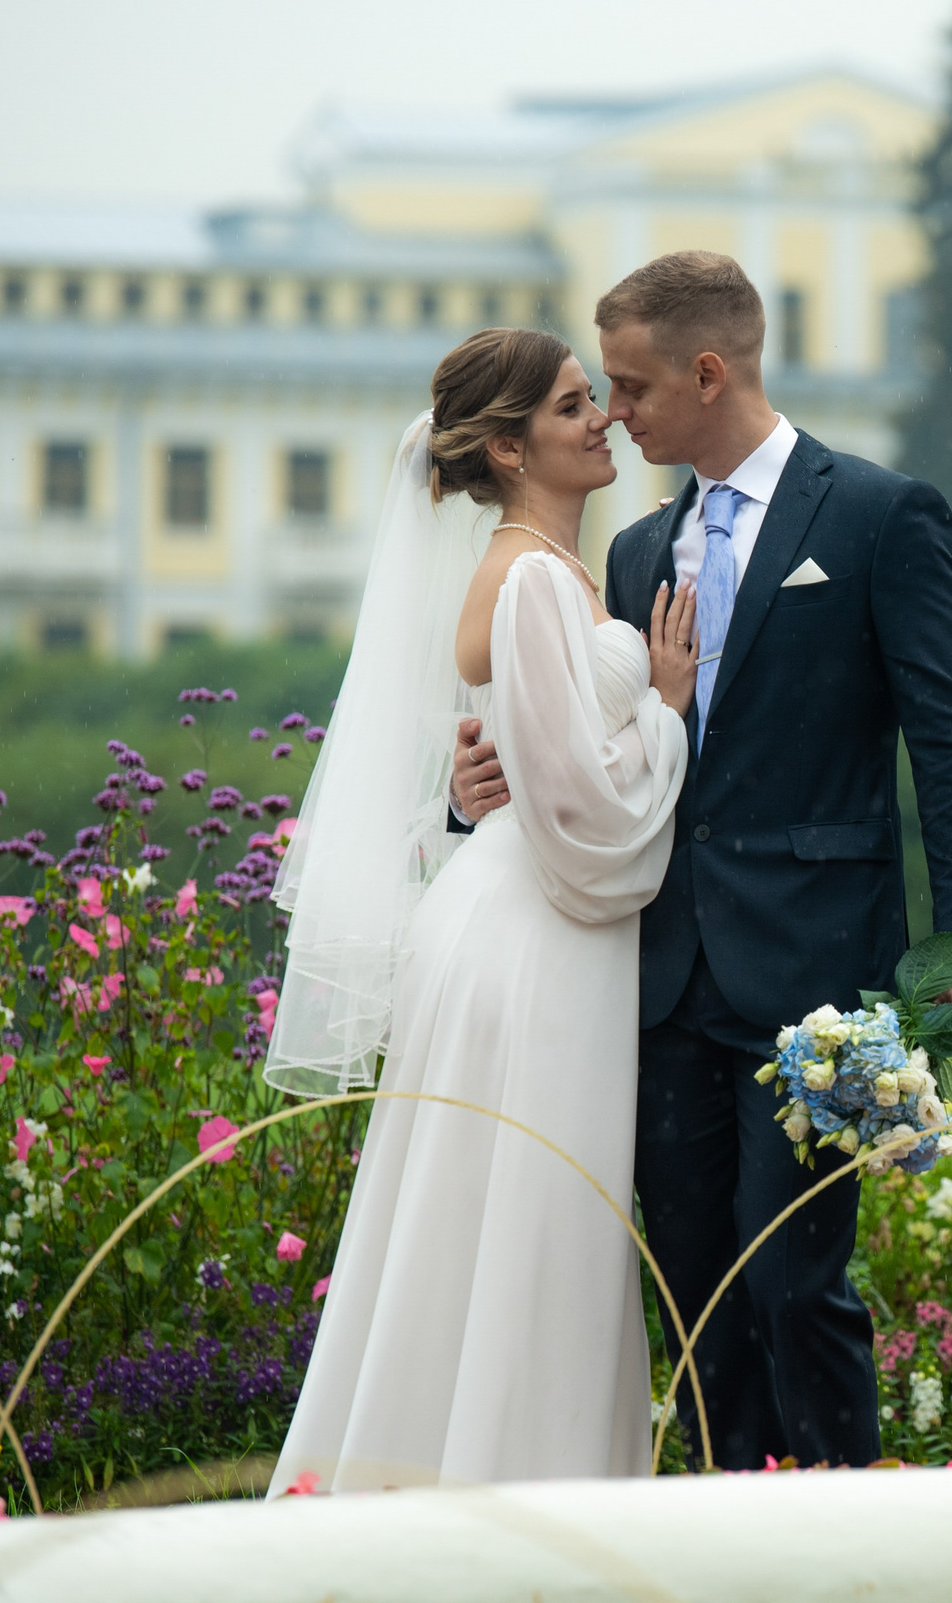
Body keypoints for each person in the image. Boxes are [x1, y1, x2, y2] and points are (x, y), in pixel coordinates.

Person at [452, 251, 952, 1470]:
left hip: (816, 979)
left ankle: (840, 1538)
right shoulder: (639, 549)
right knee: (693, 1292)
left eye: (634, 386)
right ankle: (727, 1540)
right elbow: (587, 753)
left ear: (709, 371)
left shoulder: (875, 515)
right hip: (653, 980)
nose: (616, 413)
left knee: (795, 1281)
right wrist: (471, 796)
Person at [263, 328, 700, 1489]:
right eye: (571, 405)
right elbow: (585, 822)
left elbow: (528, 758)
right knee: (534, 1231)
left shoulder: (528, 577)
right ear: (508, 448)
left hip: (504, 915)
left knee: (493, 1225)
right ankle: (513, 1502)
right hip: (540, 937)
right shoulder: (536, 583)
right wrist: (665, 708)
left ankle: (465, 1481)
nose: (600, 415)